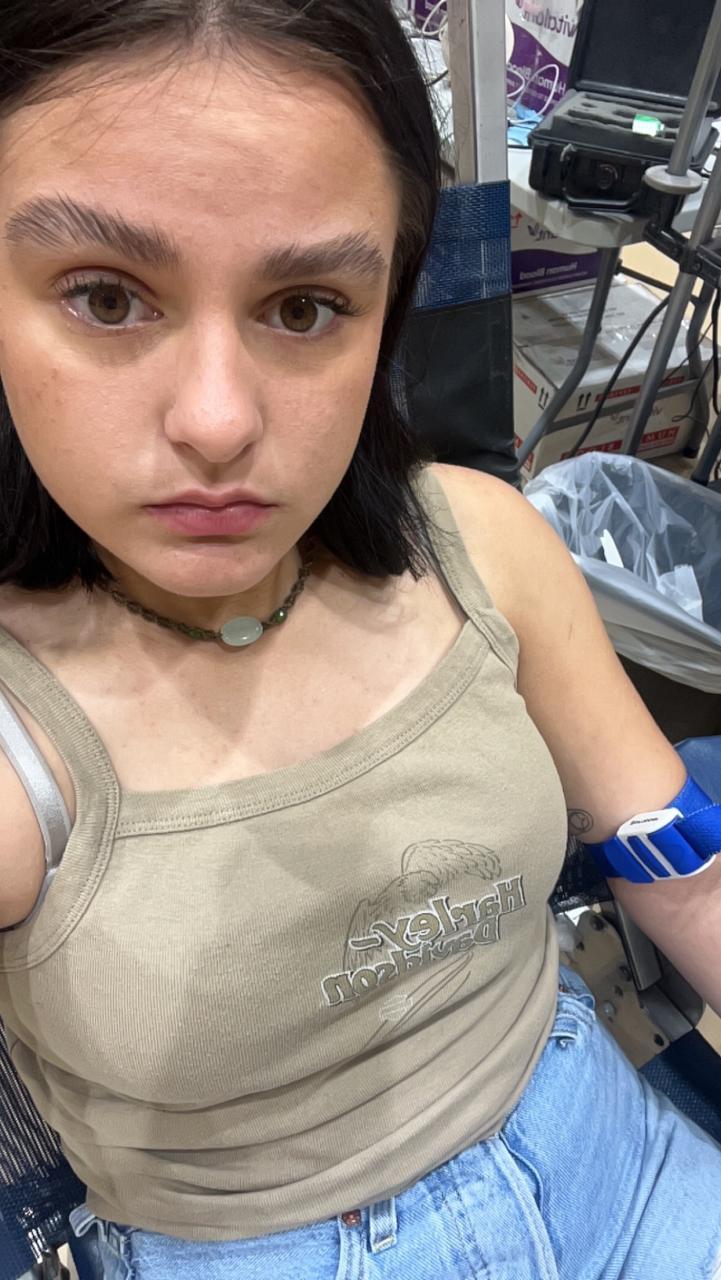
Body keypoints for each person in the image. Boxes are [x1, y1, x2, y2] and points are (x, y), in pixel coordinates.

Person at [0, 3, 720, 1278]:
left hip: (615, 1156)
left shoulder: (477, 545)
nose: (217, 421)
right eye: (107, 297)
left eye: (305, 306)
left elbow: (679, 864)